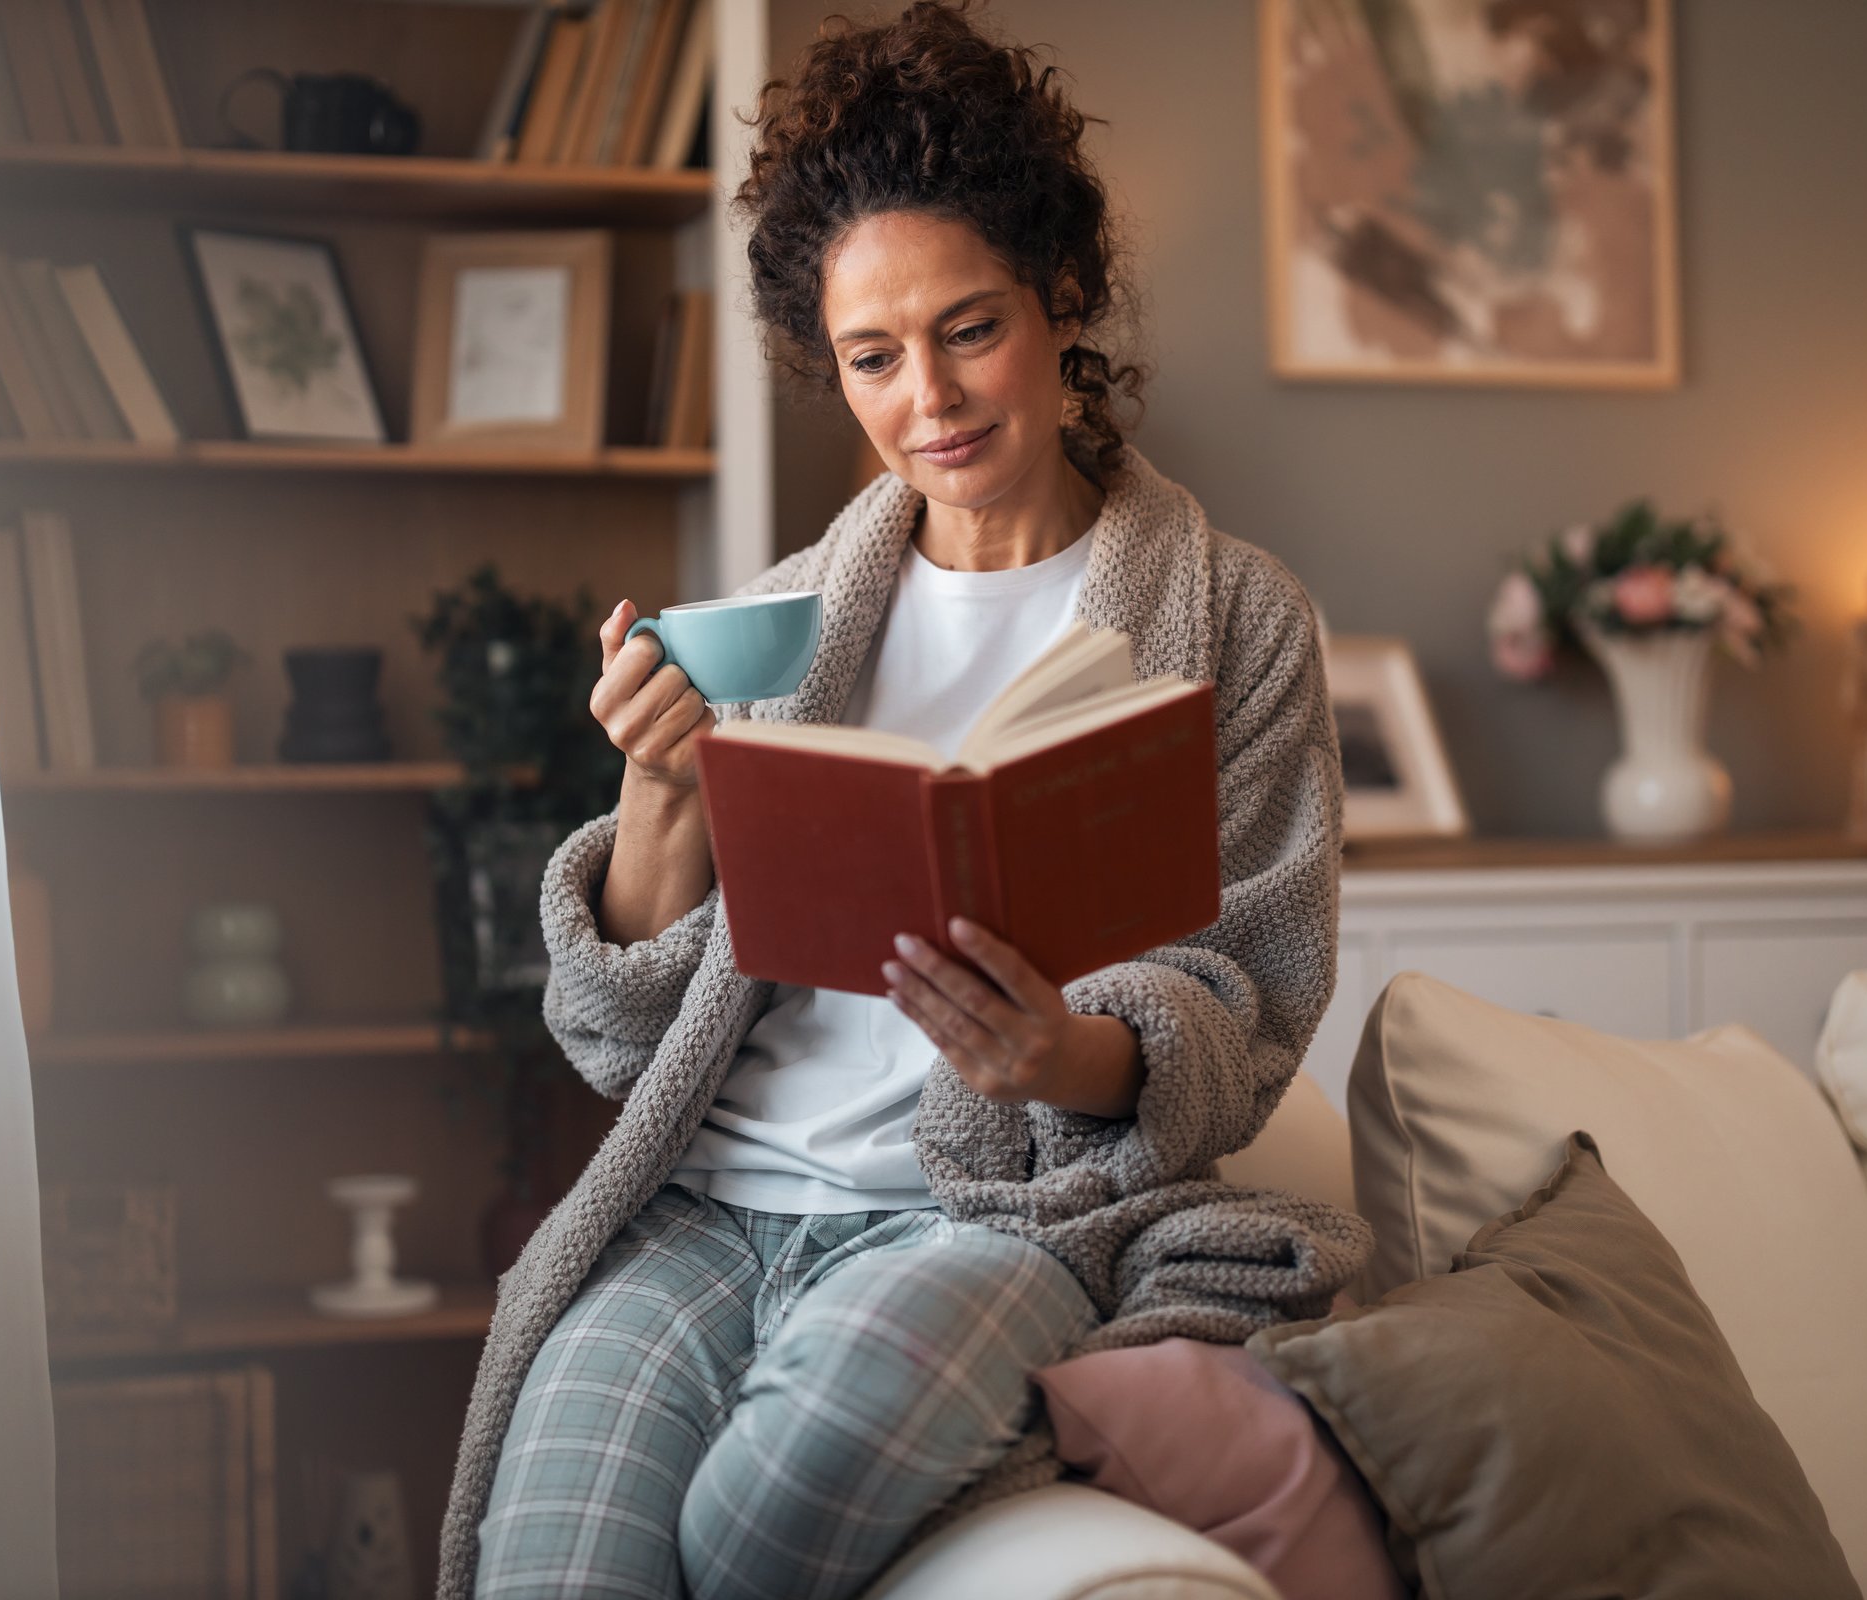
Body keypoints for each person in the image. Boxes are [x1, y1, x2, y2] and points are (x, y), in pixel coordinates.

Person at [441, 7, 1369, 1598]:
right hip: (709, 1209)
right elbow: (613, 1037)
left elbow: (1259, 1002)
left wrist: (1061, 1055)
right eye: (871, 357)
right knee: (553, 1572)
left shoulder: (1233, 615)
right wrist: (661, 785)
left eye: (969, 328)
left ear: (1061, 299)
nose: (926, 396)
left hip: (979, 1221)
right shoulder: (788, 618)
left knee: (757, 1531)